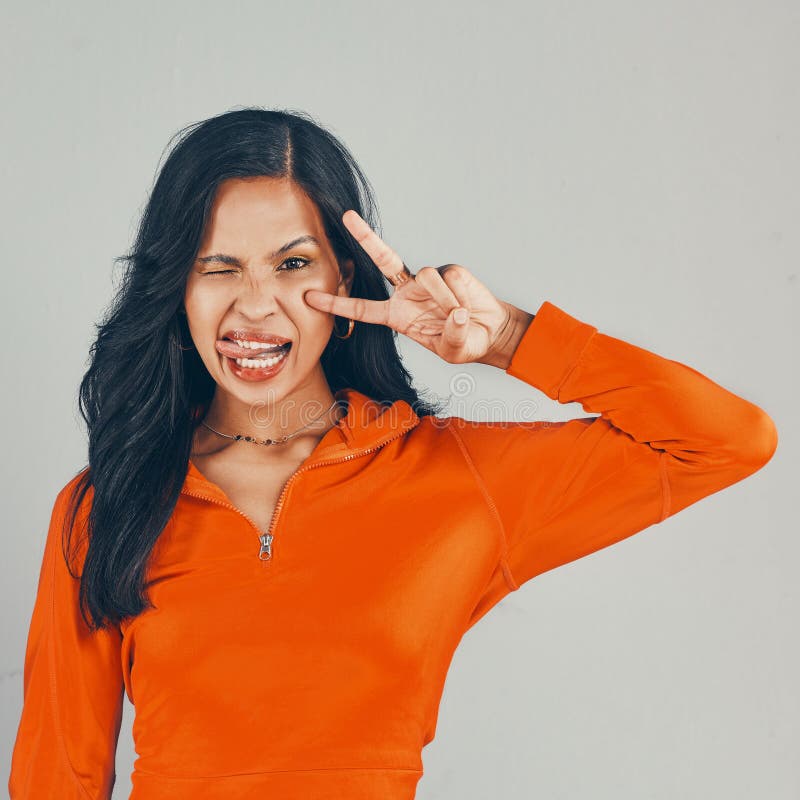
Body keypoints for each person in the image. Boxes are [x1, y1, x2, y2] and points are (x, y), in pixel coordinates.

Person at [8, 107, 778, 800]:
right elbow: (58, 776)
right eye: (218, 267)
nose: (253, 304)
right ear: (176, 286)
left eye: (292, 262)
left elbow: (725, 442)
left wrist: (509, 338)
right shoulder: (107, 506)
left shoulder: (454, 478)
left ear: (345, 275)